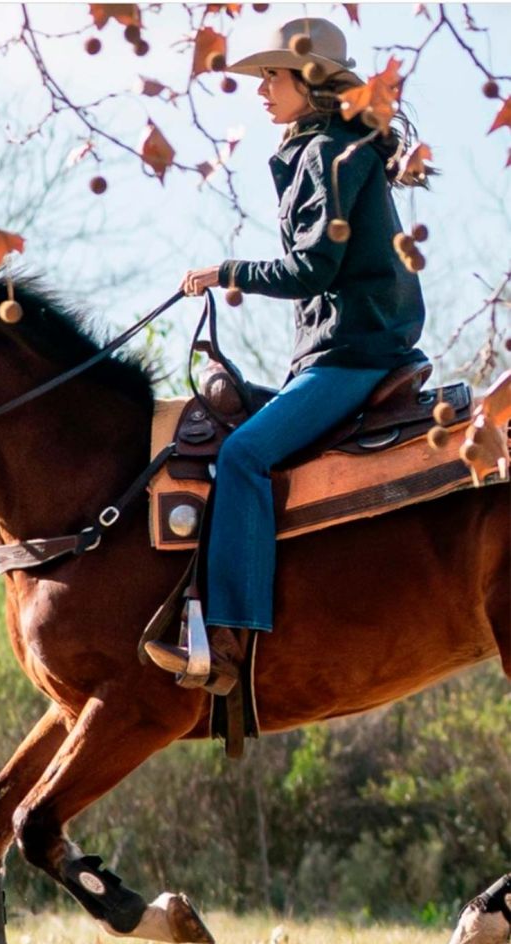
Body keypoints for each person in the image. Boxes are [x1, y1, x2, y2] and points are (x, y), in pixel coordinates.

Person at [144, 17, 430, 691]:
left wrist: (227, 273)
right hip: (342, 350)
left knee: (243, 455)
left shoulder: (328, 150)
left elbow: (312, 270)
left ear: (310, 81)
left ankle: (228, 642)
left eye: (272, 76)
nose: (261, 90)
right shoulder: (326, 147)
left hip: (353, 354)